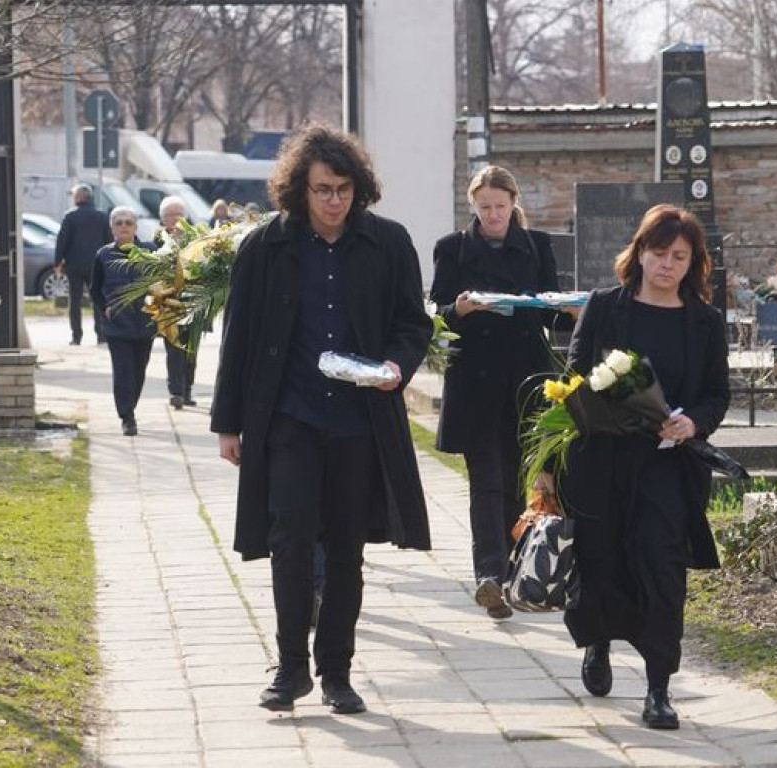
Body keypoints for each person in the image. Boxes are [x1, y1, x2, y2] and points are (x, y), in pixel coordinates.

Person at [211, 124, 433, 715]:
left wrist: (396, 364)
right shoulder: (265, 247)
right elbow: (239, 339)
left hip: (360, 420)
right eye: (322, 190)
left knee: (344, 548)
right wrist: (228, 423)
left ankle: (336, 671)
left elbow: (415, 324)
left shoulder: (389, 244)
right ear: (298, 191)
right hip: (289, 417)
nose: (335, 201)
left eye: (344, 189)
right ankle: (290, 669)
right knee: (287, 538)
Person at [558, 204, 729, 730]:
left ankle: (658, 687)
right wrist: (605, 405)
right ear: (639, 253)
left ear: (693, 262)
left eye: (680, 256)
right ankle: (600, 643)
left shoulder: (704, 321)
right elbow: (574, 376)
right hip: (604, 460)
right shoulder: (607, 307)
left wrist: (692, 424)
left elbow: (717, 395)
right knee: (604, 559)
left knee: (662, 568)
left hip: (667, 467)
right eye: (659, 253)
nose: (668, 265)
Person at [429, 165, 572, 620]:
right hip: (475, 380)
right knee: (485, 479)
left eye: (500, 206)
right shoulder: (451, 249)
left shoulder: (537, 246)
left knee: (516, 479)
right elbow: (436, 314)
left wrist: (566, 310)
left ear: (514, 204)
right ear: (473, 205)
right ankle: (489, 574)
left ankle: (511, 576)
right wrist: (461, 309)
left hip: (526, 379)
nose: (493, 215)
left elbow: (549, 310)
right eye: (485, 207)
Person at [91, 207, 155, 436]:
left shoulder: (149, 251)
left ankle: (131, 407)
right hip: (117, 326)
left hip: (145, 323)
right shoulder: (103, 255)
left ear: (136, 227)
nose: (124, 226)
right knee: (123, 372)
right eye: (119, 223)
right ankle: (127, 416)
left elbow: (162, 282)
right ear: (112, 228)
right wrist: (105, 308)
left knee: (139, 372)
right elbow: (95, 289)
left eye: (128, 222)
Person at [55, 184, 112, 346]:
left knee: (75, 301)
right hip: (97, 264)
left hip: (75, 265)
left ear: (79, 198)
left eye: (74, 195)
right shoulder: (102, 216)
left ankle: (76, 336)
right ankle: (101, 335)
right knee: (98, 299)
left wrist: (57, 262)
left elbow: (62, 241)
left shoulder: (70, 216)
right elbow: (108, 239)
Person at [157, 195, 198, 409]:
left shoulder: (197, 240)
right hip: (168, 304)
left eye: (178, 215)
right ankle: (176, 392)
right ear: (162, 219)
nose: (174, 220)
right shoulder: (156, 241)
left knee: (191, 350)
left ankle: (188, 389)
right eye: (169, 216)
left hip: (194, 302)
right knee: (174, 350)